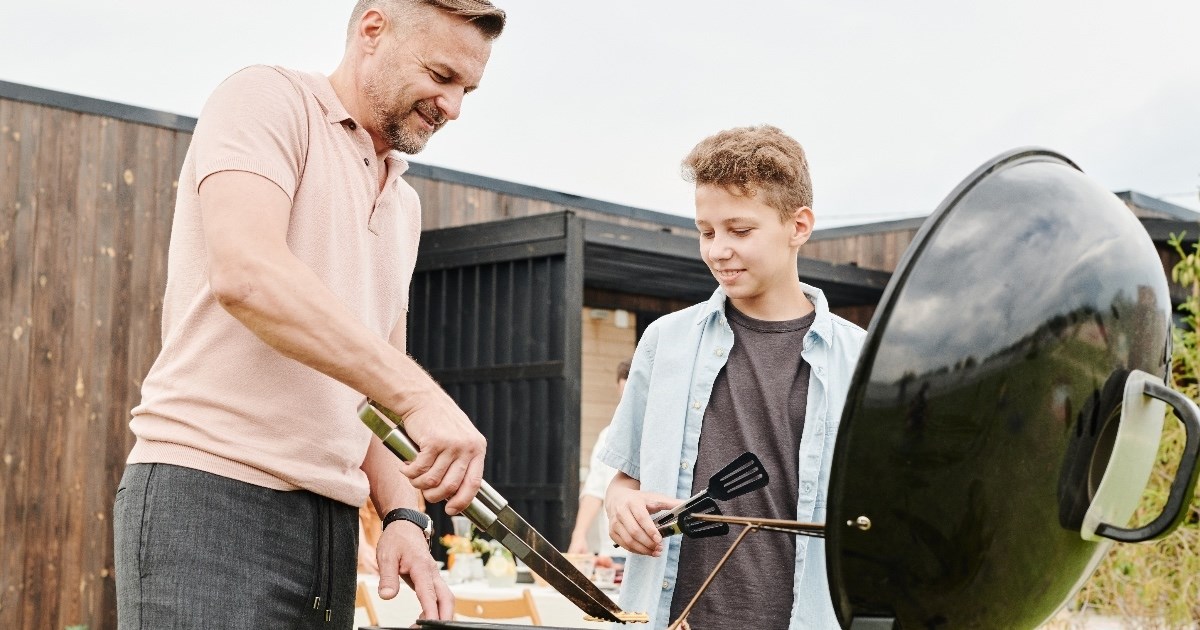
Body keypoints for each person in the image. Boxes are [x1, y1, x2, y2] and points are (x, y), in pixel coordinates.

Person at [112, 1, 506, 628]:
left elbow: (377, 385)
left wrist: (404, 513)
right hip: (210, 497)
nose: (453, 106)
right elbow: (248, 276)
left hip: (331, 521)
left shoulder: (403, 204)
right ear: (373, 30)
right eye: (440, 75)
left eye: (467, 89)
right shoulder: (266, 99)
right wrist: (422, 398)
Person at [600, 125, 866, 629]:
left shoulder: (862, 359)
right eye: (706, 231)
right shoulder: (664, 341)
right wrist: (622, 508)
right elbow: (623, 479)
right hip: (667, 618)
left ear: (799, 225)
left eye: (740, 231)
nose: (717, 249)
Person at [568, 358, 632, 556]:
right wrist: (579, 536)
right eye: (623, 397)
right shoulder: (607, 435)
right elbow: (594, 491)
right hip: (611, 554)